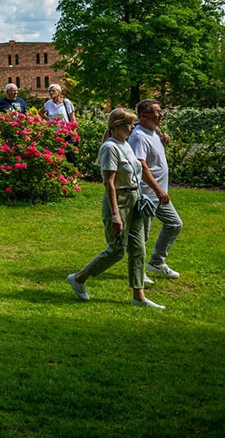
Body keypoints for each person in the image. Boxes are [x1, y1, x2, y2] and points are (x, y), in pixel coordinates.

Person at [67, 108, 163, 309]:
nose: (132, 128)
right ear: (116, 126)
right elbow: (109, 183)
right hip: (119, 201)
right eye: (129, 124)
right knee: (117, 250)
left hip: (135, 198)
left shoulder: (125, 144)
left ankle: (139, 297)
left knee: (138, 249)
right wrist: (115, 215)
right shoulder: (110, 148)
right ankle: (79, 278)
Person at [130, 99, 182, 281]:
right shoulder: (139, 137)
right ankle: (138, 272)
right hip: (146, 194)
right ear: (144, 116)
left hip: (159, 195)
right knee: (141, 237)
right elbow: (141, 166)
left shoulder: (152, 131)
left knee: (174, 224)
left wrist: (162, 138)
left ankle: (157, 262)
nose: (161, 115)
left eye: (161, 112)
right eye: (156, 112)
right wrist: (158, 190)